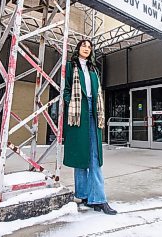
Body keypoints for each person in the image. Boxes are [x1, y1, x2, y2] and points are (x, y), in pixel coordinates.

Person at [62, 39, 117, 215]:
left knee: (94, 155)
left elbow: (97, 90)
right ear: (78, 48)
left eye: (89, 47)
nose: (86, 48)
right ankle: (84, 195)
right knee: (80, 155)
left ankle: (99, 199)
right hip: (78, 110)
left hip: (93, 108)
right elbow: (67, 88)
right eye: (83, 46)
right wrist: (70, 102)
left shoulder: (94, 69)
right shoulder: (71, 66)